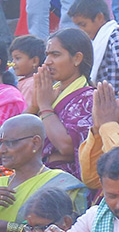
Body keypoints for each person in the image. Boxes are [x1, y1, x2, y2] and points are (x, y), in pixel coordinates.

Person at [0, 114, 85, 232]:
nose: (1, 150)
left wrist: (10, 228)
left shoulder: (62, 184)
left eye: (10, 143)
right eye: (1, 143)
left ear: (35, 143)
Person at [33, 28, 96, 177]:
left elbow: (67, 147)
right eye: (47, 55)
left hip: (65, 181)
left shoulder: (89, 98)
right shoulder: (50, 92)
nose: (47, 62)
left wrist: (45, 107)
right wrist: (34, 104)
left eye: (55, 55)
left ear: (77, 59)